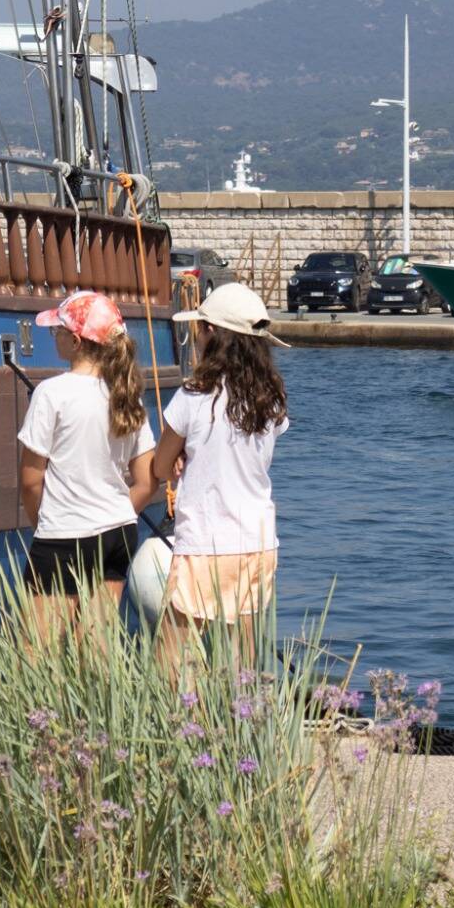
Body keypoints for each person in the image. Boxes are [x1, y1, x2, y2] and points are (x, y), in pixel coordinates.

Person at [151, 283, 289, 669]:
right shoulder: (271, 399)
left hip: (204, 540)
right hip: (257, 540)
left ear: (212, 334)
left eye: (200, 328)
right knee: (242, 661)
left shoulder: (194, 395)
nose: (196, 337)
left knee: (172, 658)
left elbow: (160, 468)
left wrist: (180, 456)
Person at [17, 290, 157, 627]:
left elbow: (31, 480)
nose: (55, 336)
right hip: (118, 531)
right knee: (96, 644)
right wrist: (115, 511)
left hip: (64, 531)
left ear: (76, 341)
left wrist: (44, 525)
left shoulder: (52, 393)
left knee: (39, 647)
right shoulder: (127, 395)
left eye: (58, 330)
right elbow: (146, 481)